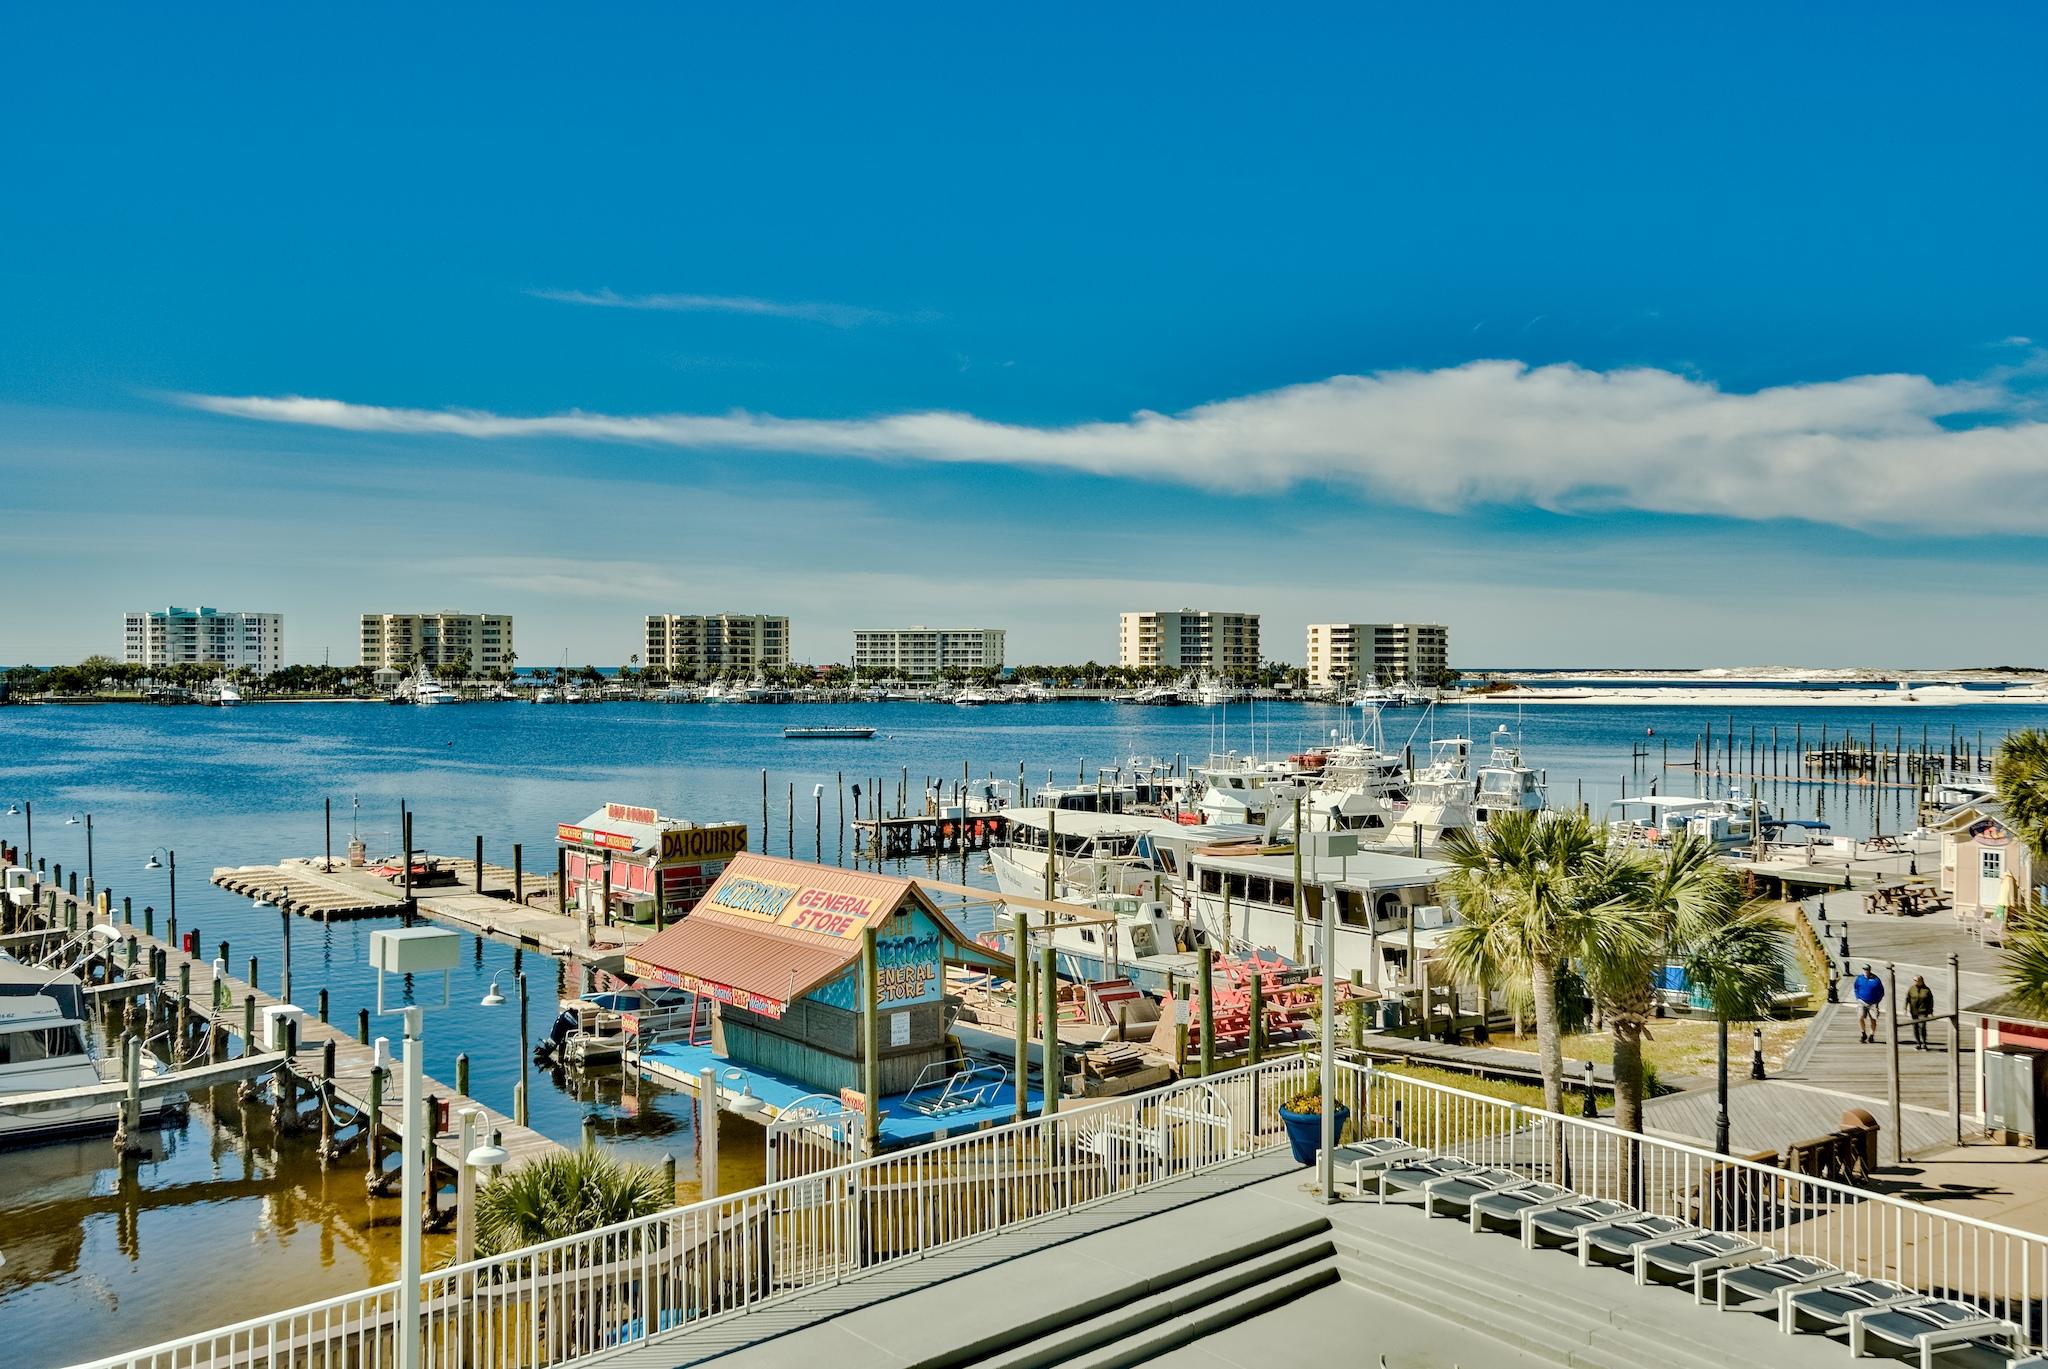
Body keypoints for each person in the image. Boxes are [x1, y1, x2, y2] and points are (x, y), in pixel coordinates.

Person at [1853, 965, 1886, 1044]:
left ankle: (1871, 1035)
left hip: (1873, 1003)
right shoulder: (1859, 978)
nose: (1866, 971)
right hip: (1862, 1001)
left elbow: (1881, 991)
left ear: (1870, 970)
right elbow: (1856, 988)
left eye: (1867, 969)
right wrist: (1857, 997)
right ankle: (1863, 1033)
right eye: (1864, 969)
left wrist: (1877, 1000)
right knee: (1860, 1017)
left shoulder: (1876, 979)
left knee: (1873, 1019)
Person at [1906, 975, 1936, 1051]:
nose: (1914, 982)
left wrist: (1931, 1011)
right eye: (1914, 980)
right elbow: (1907, 998)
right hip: (1914, 1012)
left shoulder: (1927, 990)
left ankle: (1924, 1043)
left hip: (1923, 1011)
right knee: (1915, 1028)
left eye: (1916, 980)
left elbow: (1931, 1001)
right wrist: (1905, 1008)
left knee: (1922, 1027)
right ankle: (1918, 1043)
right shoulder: (1911, 989)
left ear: (1921, 981)